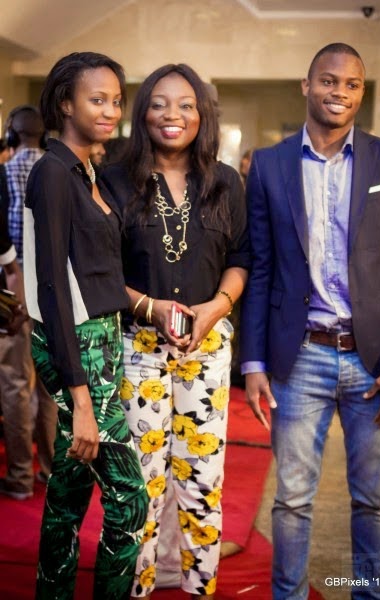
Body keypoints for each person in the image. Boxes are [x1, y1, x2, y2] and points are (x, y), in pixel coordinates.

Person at [240, 42, 380, 600]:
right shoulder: (269, 164)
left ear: (362, 92)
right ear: (306, 86)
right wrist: (253, 362)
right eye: (328, 81)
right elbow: (260, 267)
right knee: (292, 500)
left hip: (372, 359)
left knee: (374, 499)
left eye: (352, 84)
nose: (339, 92)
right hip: (299, 355)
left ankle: (368, 594)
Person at [102, 63, 250, 599]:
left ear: (202, 115)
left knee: (202, 483)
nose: (173, 115)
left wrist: (215, 308)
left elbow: (241, 258)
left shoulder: (225, 181)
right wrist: (150, 307)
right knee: (142, 484)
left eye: (186, 105)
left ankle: (199, 589)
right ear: (142, 113)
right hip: (137, 347)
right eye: (160, 103)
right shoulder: (114, 180)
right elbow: (100, 272)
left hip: (207, 348)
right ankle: (138, 589)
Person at [23, 51, 148, 599]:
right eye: (97, 99)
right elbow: (51, 286)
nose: (111, 111)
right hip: (76, 343)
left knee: (70, 492)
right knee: (129, 500)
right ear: (65, 103)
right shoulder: (53, 173)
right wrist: (80, 397)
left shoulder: (84, 168)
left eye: (116, 100)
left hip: (101, 338)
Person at [0, 105, 57, 500]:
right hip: (53, 287)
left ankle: (20, 476)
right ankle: (50, 471)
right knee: (51, 384)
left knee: (16, 383)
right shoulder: (58, 171)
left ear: (10, 135)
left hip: (13, 285)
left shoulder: (4, 172)